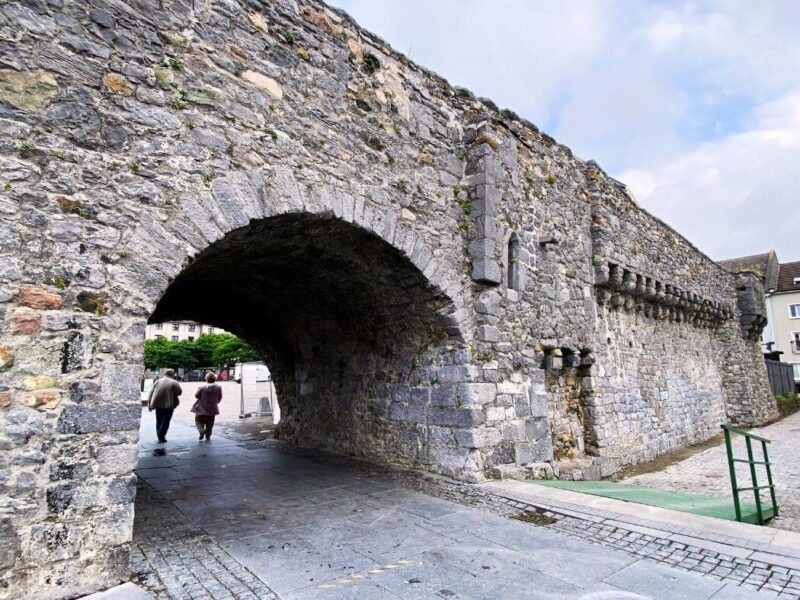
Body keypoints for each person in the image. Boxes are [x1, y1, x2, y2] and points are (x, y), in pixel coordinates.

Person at [147, 368, 182, 443]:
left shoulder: (158, 381)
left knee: (159, 420)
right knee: (165, 420)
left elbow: (151, 392)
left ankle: (159, 435)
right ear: (172, 374)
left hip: (157, 403)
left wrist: (149, 404)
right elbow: (179, 392)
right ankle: (161, 436)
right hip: (169, 404)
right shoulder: (174, 382)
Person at [192, 371, 222, 440]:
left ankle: (202, 431)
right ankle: (208, 436)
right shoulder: (218, 387)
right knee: (210, 423)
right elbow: (220, 397)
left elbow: (196, 396)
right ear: (214, 379)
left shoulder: (201, 387)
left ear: (206, 378)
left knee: (198, 421)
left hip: (201, 407)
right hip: (212, 408)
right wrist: (215, 402)